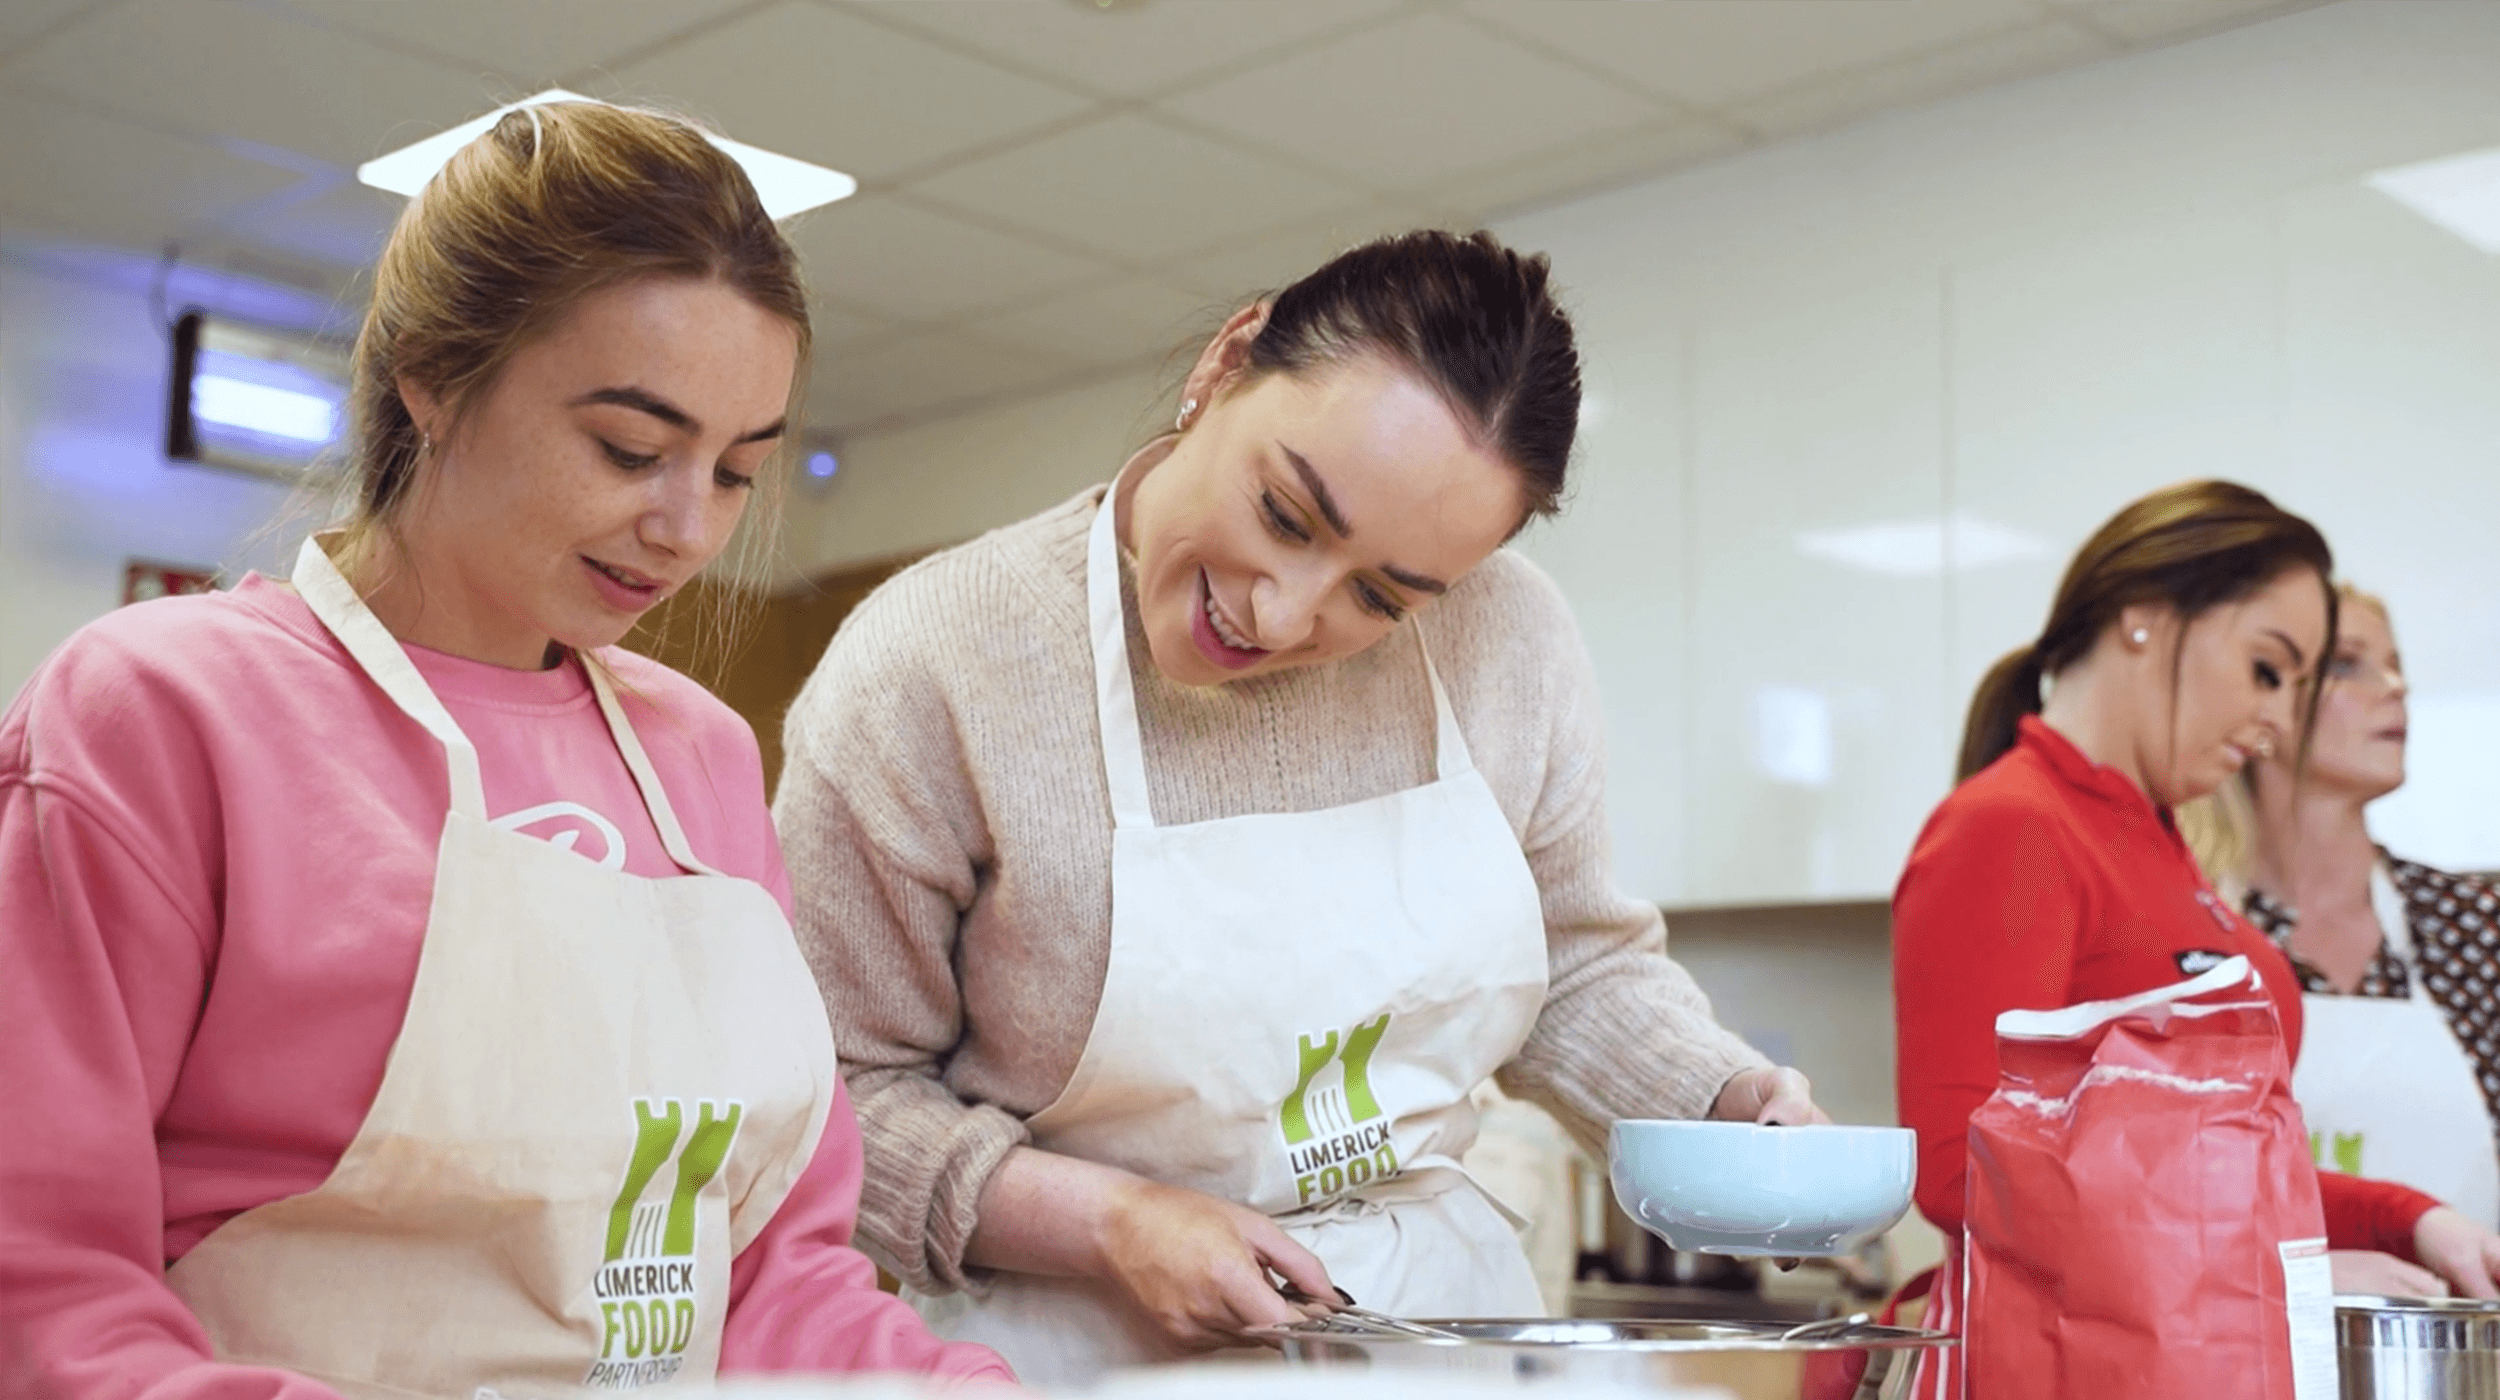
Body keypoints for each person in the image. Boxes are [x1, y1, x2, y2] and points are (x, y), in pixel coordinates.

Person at [0, 101, 1010, 1396]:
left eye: (739, 470)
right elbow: (43, 1291)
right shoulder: (163, 713)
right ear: (431, 374)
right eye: (630, 449)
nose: (688, 528)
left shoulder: (697, 755)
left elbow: (766, 1268)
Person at [774, 229, 1825, 1384]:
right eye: (1285, 513)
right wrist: (1116, 1221)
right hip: (1079, 1347)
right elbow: (832, 1095)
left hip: (1432, 1336)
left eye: (1381, 595)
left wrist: (1722, 1099)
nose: (1278, 617)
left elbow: (1572, 969)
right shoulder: (935, 660)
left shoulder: (1509, 638)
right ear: (1226, 363)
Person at [1892, 480, 2500, 1398]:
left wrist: (2411, 1219)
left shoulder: (2161, 851)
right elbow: (1964, 1177)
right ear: (2146, 620)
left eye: (2298, 687)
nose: (2275, 724)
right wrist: (2280, 1274)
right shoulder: (2013, 826)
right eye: (2267, 670)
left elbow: (2237, 1176)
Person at [2181, 587, 2500, 1227]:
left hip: (2467, 1320)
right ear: (2260, 704)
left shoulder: (2474, 925)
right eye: (2347, 664)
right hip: (2252, 1319)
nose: (2396, 686)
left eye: (2396, 662)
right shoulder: (2194, 932)